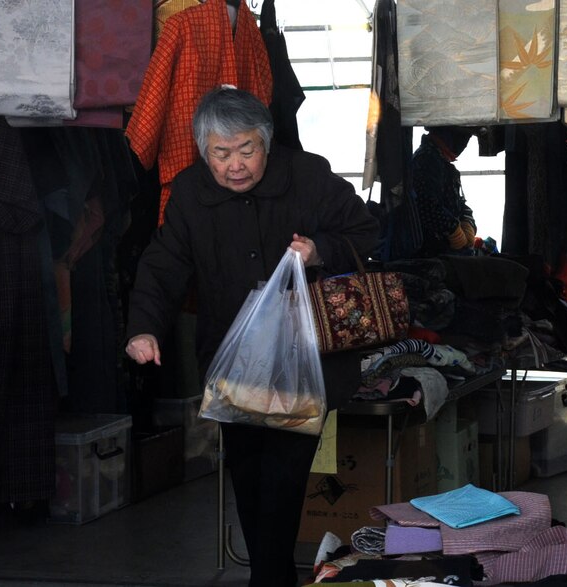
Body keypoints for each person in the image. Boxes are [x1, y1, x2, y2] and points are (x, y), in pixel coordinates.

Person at [123, 86, 380, 586]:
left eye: (246, 150)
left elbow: (366, 230)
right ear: (204, 151)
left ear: (266, 142)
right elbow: (163, 266)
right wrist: (143, 328)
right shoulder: (190, 193)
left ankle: (267, 578)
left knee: (283, 474)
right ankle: (273, 574)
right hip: (234, 360)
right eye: (221, 153)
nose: (234, 165)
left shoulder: (307, 176)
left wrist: (319, 251)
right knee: (246, 472)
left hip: (306, 360)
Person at [411, 125, 478, 256]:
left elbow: (458, 202)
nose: (464, 143)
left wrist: (467, 221)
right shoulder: (426, 159)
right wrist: (452, 230)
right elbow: (425, 204)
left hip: (444, 248)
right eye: (464, 136)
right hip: (429, 251)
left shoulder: (442, 162)